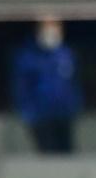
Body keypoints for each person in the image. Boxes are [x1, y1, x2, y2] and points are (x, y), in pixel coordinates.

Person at [13, 16, 82, 154]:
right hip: (40, 116)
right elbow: (21, 88)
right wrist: (28, 112)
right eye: (48, 28)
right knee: (48, 155)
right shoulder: (27, 57)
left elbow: (73, 83)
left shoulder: (65, 53)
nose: (52, 34)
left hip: (64, 114)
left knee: (67, 155)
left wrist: (76, 105)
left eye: (56, 29)